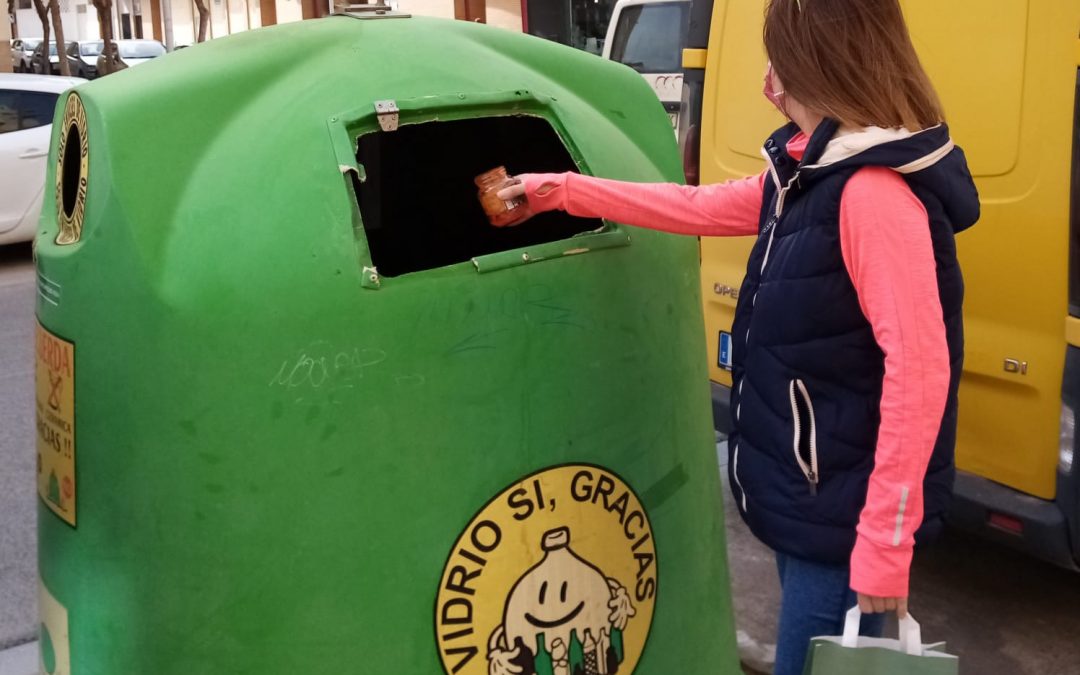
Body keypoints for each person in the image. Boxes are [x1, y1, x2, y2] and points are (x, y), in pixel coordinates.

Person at [496, 1, 980, 672]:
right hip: (810, 497)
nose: (767, 81)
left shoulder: (870, 195)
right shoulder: (809, 177)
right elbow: (693, 207)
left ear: (817, 65)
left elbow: (921, 372)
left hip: (842, 524)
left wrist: (884, 546)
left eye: (776, 60)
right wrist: (562, 191)